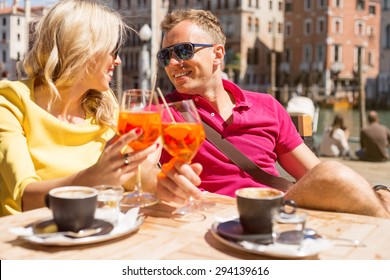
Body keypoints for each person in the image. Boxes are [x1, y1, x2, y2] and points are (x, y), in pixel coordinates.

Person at [153, 9, 390, 218]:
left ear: (217, 54)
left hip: (276, 212)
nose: (172, 63)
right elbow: (139, 169)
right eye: (165, 56)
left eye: (183, 51)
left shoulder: (267, 106)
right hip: (208, 217)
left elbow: (315, 174)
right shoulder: (158, 111)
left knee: (334, 174)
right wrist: (154, 181)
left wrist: (374, 191)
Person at [0, 0, 160, 216]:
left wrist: (165, 183)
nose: (118, 61)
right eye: (113, 51)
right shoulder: (10, 101)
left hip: (96, 231)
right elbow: (25, 198)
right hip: (30, 239)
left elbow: (129, 174)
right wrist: (91, 179)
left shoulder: (104, 104)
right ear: (83, 49)